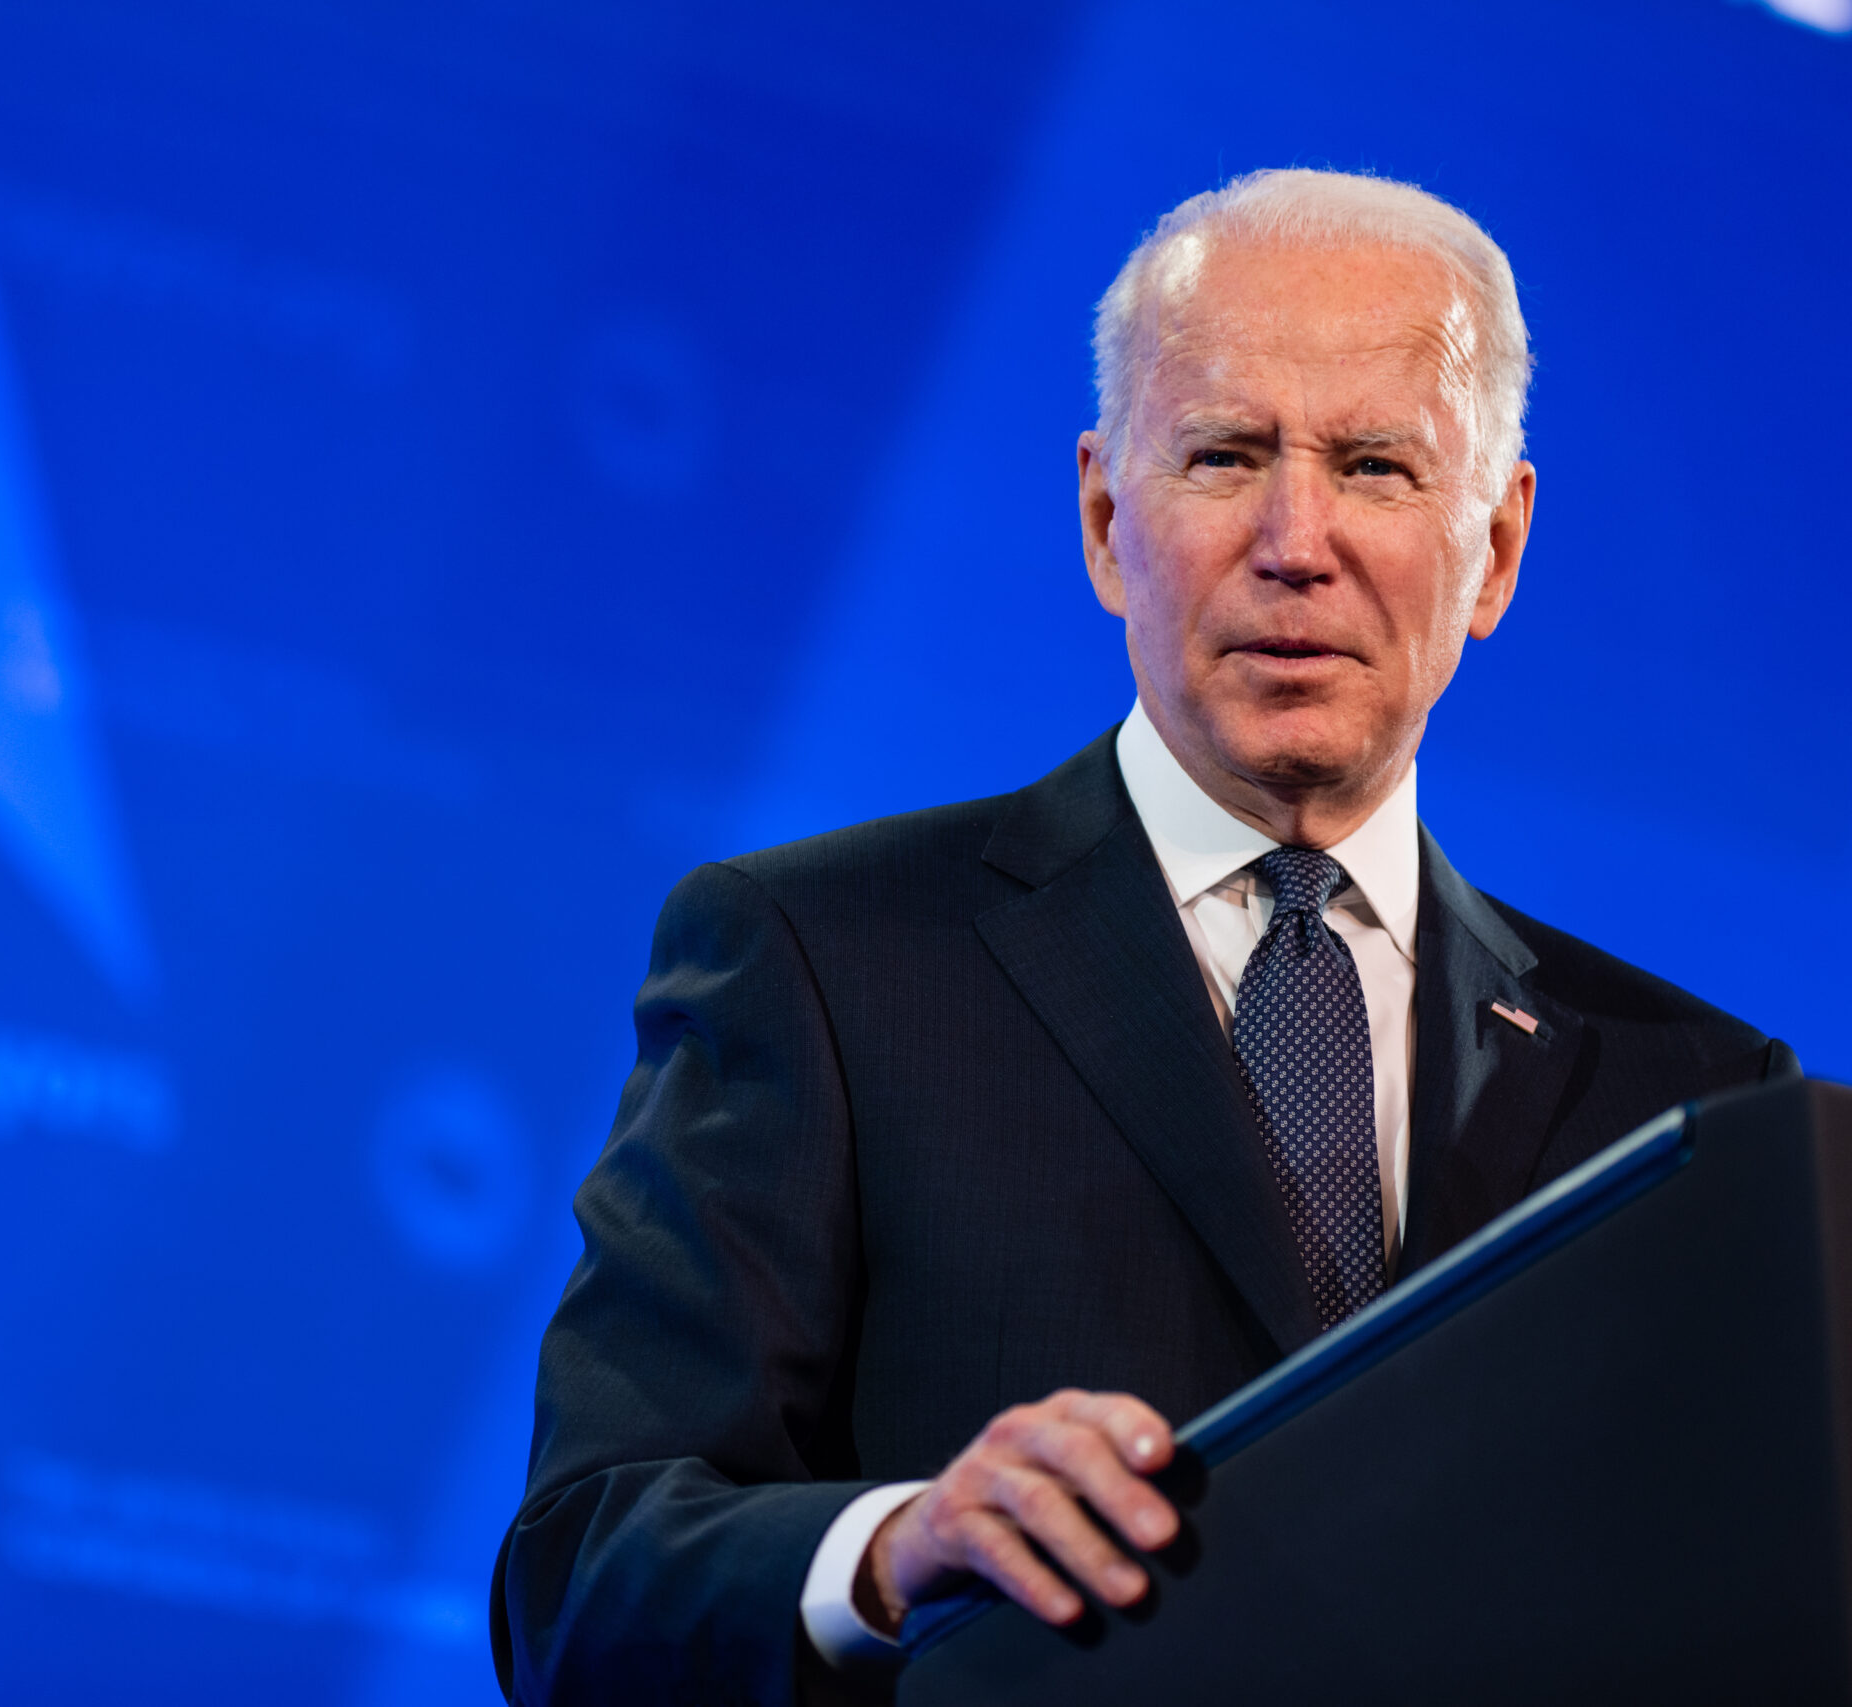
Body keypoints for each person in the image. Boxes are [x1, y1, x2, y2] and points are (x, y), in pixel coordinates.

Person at [488, 168, 1799, 1707]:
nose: (1294, 541)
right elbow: (582, 1580)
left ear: (1495, 550)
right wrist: (899, 1550)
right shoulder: (821, 961)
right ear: (1109, 519)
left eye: (1376, 466)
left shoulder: (1688, 1092)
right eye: (1227, 455)